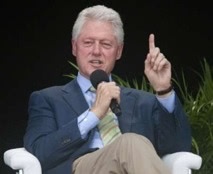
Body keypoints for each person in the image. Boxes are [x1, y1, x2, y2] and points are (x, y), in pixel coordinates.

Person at [24, 5, 191, 174]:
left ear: (119, 51)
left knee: (131, 144)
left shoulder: (144, 102)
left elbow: (179, 146)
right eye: (88, 43)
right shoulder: (48, 99)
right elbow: (40, 152)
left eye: (105, 44)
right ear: (74, 47)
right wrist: (94, 114)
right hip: (81, 168)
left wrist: (164, 90)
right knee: (130, 143)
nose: (96, 51)